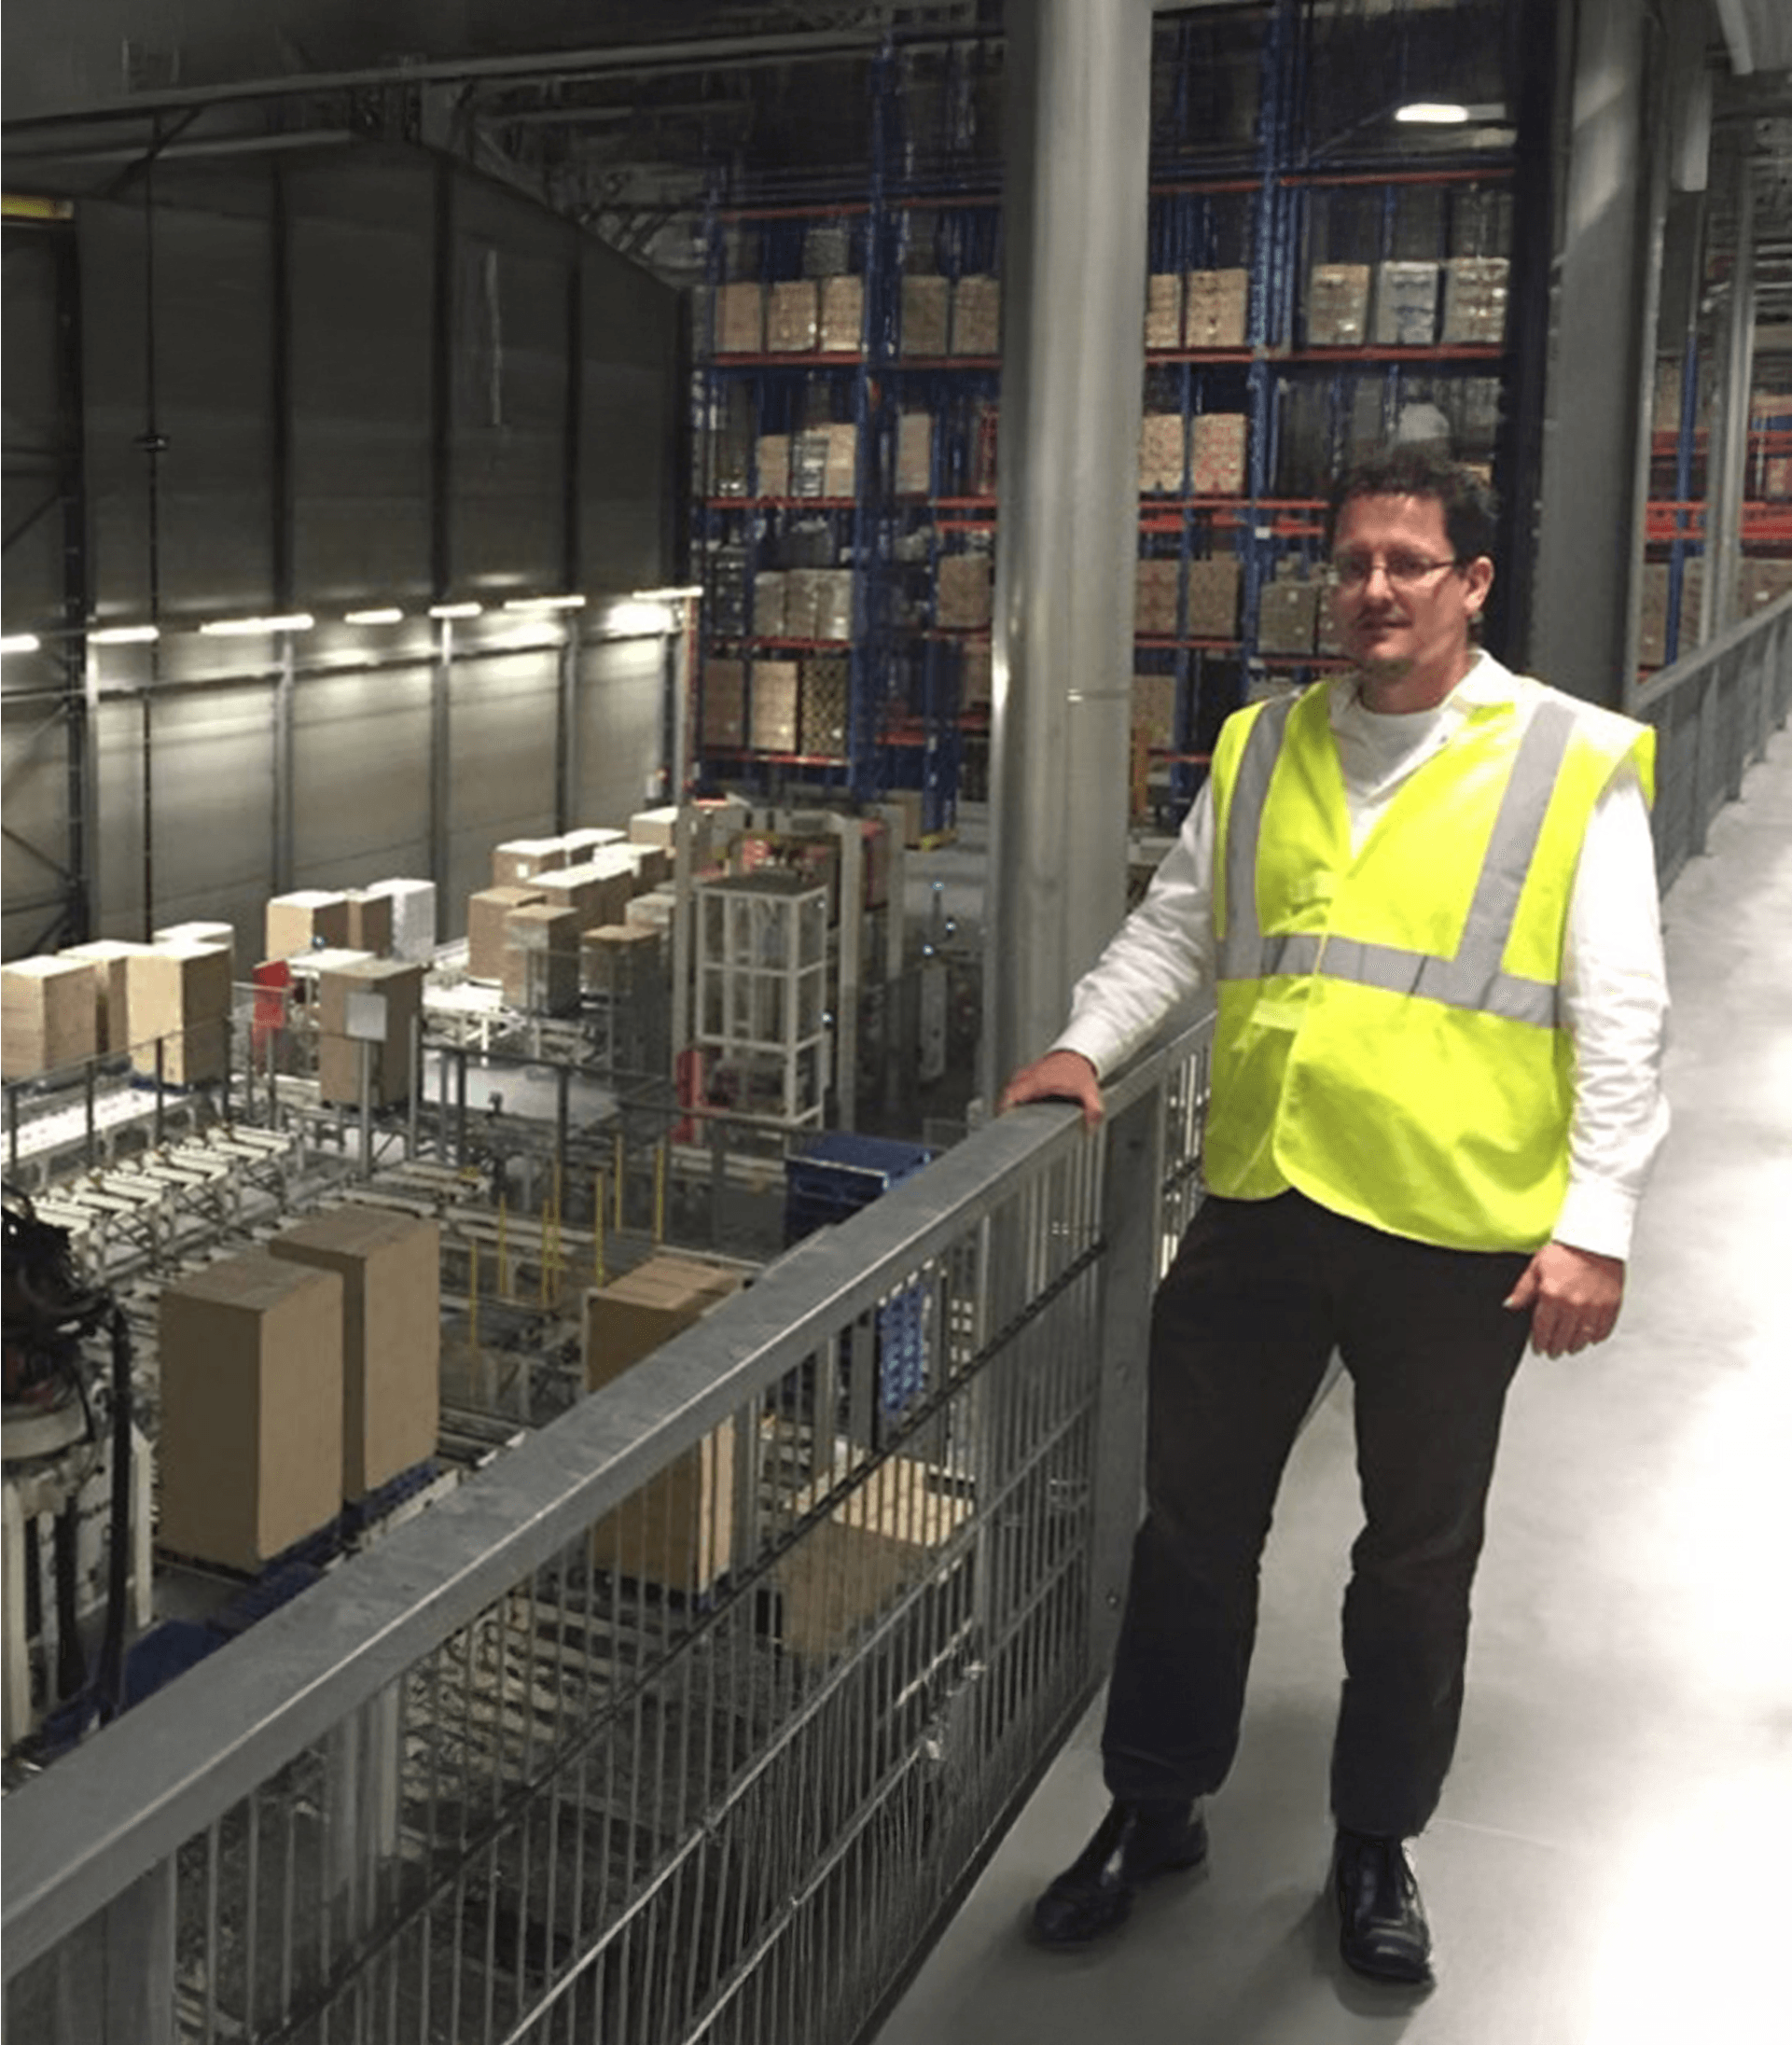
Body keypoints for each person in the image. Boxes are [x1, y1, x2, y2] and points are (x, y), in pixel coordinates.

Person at [998, 445, 1669, 1986]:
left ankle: (1377, 1840)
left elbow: (1622, 1012)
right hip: (1264, 1200)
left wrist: (1599, 1222)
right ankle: (1153, 1806)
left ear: (1472, 584)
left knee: (1416, 1557)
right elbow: (1177, 926)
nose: (1372, 589)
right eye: (1352, 560)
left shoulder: (1571, 761)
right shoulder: (1262, 744)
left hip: (1457, 1229)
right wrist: (1082, 1047)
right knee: (1190, 1533)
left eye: (1407, 564)